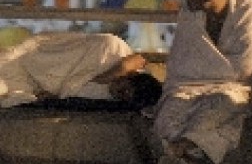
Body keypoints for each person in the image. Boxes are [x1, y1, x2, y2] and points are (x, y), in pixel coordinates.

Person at [152, 0, 252, 164]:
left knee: (219, 106)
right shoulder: (190, 11)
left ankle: (180, 148)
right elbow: (184, 58)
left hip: (233, 87)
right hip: (190, 84)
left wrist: (207, 68)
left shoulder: (248, 11)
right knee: (166, 119)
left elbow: (242, 69)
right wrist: (210, 69)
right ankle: (195, 161)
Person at [0, 31, 161, 110]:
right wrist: (114, 72)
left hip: (29, 84)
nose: (118, 92)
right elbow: (71, 82)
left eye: (123, 97)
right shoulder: (112, 48)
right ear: (131, 76)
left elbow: (68, 92)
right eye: (124, 89)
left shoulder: (105, 97)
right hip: (28, 59)